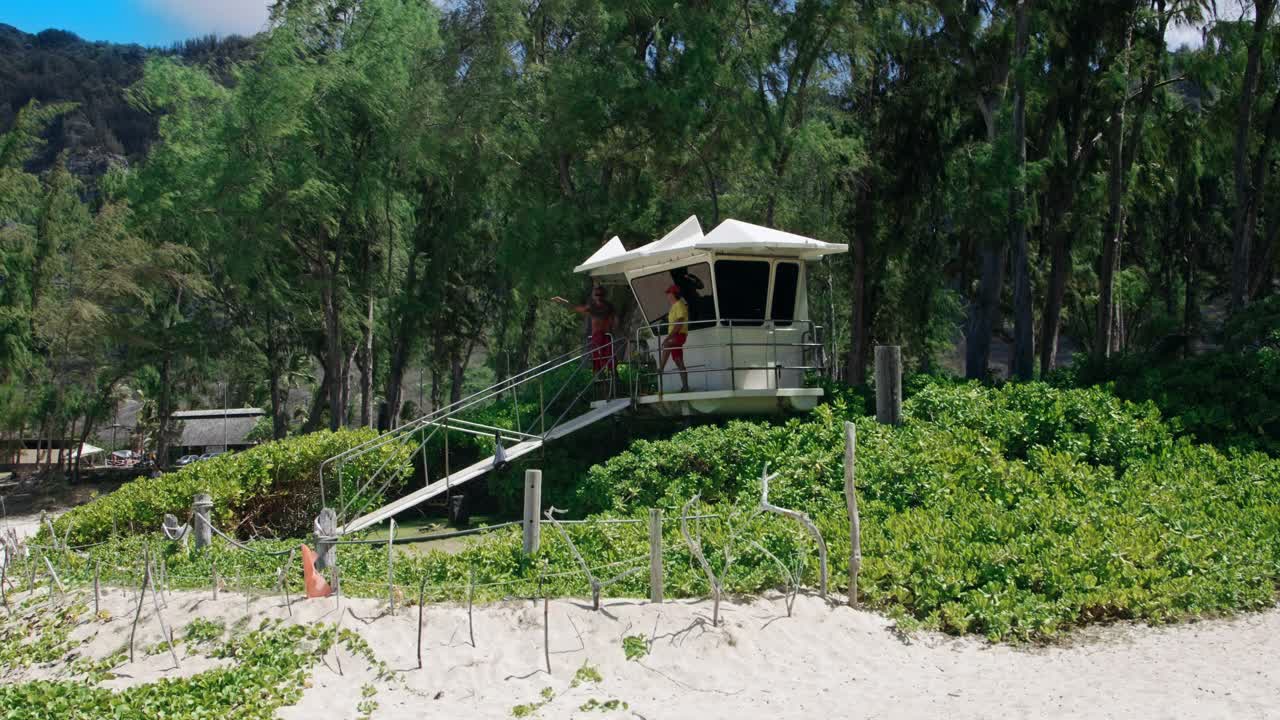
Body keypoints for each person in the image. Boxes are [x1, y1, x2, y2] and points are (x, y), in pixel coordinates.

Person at [552, 286, 618, 376]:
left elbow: (614, 320)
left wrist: (613, 328)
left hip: (606, 336)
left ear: (604, 295)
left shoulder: (609, 307)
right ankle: (599, 379)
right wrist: (562, 301)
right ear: (594, 296)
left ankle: (613, 376)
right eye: (597, 294)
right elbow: (575, 308)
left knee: (610, 359)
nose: (599, 297)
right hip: (596, 337)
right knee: (597, 360)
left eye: (600, 294)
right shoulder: (592, 307)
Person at [659, 284, 690, 394]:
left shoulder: (679, 305)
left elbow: (679, 322)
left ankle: (660, 369)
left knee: (666, 344)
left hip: (679, 335)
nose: (667, 295)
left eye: (669, 293)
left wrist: (668, 337)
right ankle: (685, 387)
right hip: (676, 335)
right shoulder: (674, 306)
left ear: (674, 294)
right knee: (678, 361)